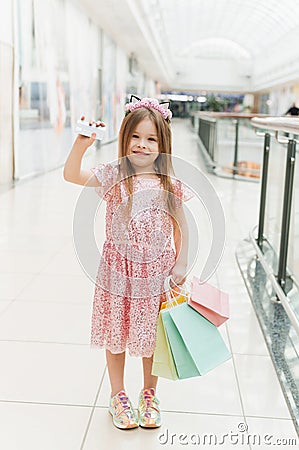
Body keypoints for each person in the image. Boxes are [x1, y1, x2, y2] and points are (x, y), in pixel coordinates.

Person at [63, 97, 193, 430]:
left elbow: (182, 225)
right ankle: (117, 394)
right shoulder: (113, 175)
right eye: (135, 136)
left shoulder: (169, 184)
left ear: (162, 145)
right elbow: (71, 174)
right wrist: (81, 145)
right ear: (124, 138)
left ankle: (149, 394)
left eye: (151, 139)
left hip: (156, 271)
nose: (142, 145)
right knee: (116, 333)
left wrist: (181, 264)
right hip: (118, 272)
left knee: (151, 337)